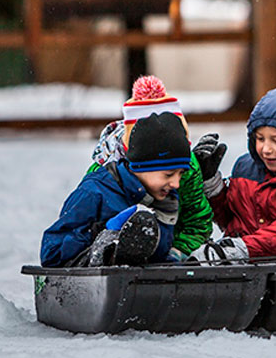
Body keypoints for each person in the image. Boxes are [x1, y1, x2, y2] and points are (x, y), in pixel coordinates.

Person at [41, 112, 191, 267]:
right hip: (90, 279)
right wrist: (100, 231)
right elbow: (52, 253)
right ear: (142, 166)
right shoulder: (95, 193)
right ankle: (108, 253)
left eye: (181, 174)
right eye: (169, 174)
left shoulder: (165, 200)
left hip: (137, 284)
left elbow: (155, 258)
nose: (176, 184)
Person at [88, 75, 212, 261]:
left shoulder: (188, 168)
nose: (176, 182)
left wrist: (177, 252)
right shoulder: (103, 173)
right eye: (168, 173)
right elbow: (78, 228)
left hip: (171, 255)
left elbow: (197, 222)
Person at [189, 87, 276, 261]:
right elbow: (230, 217)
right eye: (260, 138)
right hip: (236, 269)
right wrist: (211, 185)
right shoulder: (245, 169)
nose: (266, 149)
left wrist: (239, 249)